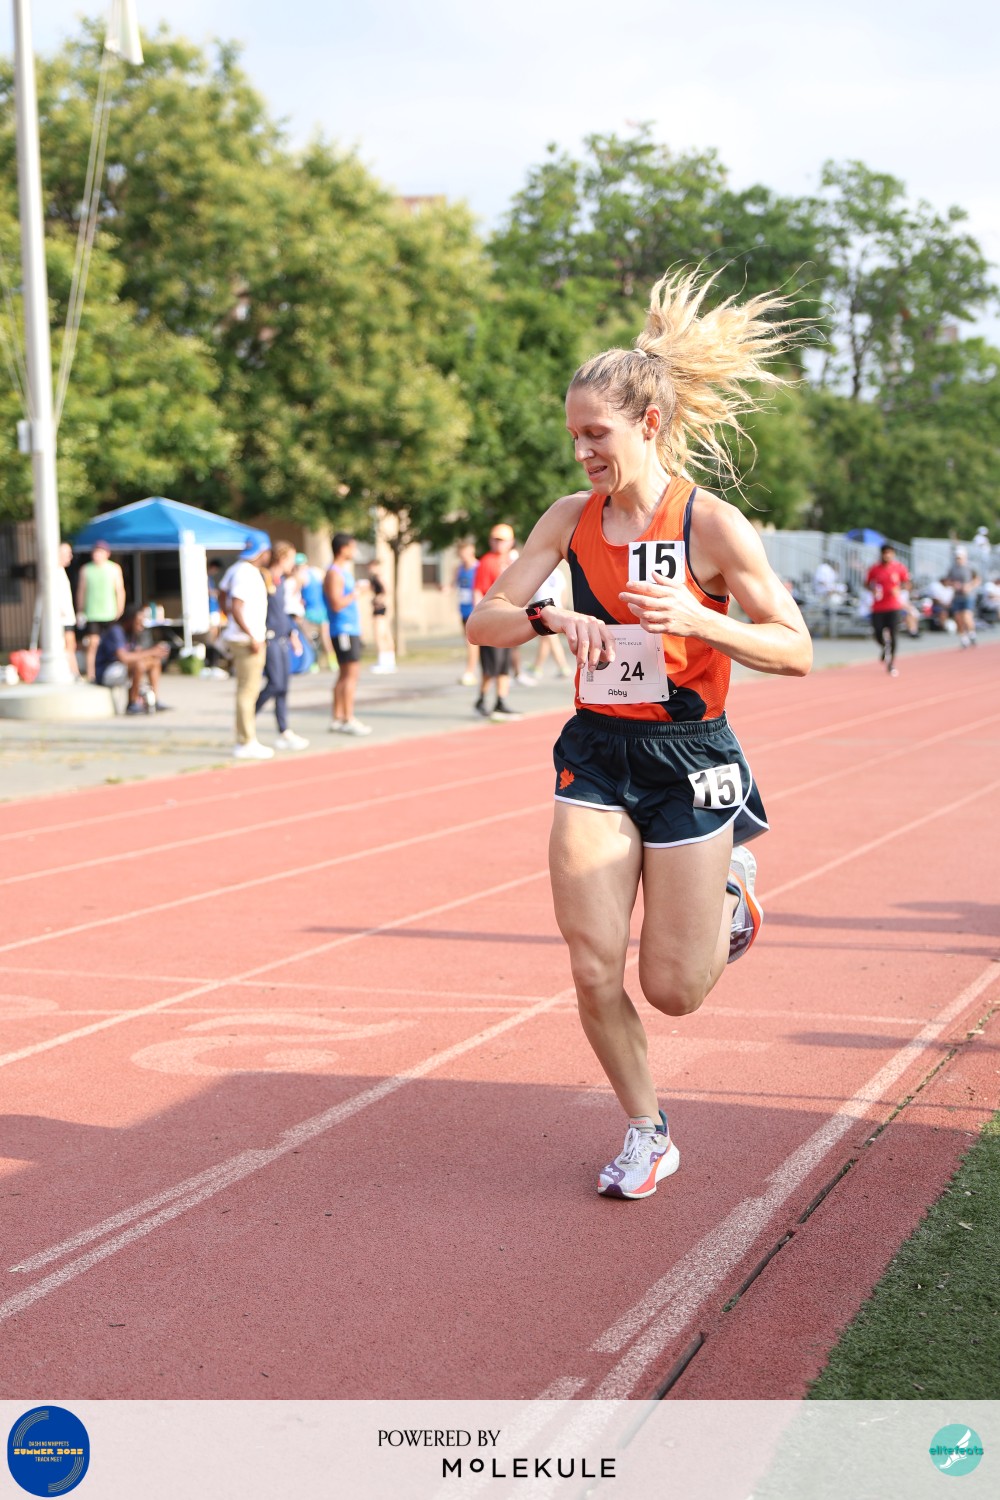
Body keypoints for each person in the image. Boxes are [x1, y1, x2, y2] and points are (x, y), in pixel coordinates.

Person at [468, 267, 811, 1199]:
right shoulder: (568, 519)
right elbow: (483, 622)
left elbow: (795, 648)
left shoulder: (711, 524)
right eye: (574, 435)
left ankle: (733, 892)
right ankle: (647, 1131)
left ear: (647, 424)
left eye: (597, 434)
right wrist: (546, 618)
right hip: (595, 751)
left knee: (675, 990)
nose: (582, 451)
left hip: (691, 758)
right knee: (590, 963)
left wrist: (702, 621)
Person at [221, 538, 274, 760]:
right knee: (248, 691)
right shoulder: (246, 573)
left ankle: (244, 736)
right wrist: (251, 634)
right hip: (246, 639)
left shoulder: (236, 569)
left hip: (243, 636)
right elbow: (236, 605)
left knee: (247, 689)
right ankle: (246, 740)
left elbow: (223, 593)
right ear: (262, 552)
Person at [472, 524, 521, 720]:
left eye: (502, 540)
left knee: (504, 664)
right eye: (495, 539)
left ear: (511, 542)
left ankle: (500, 701)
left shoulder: (511, 562)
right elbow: (478, 590)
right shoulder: (487, 562)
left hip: (508, 618)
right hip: (492, 619)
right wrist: (478, 617)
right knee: (491, 665)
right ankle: (481, 699)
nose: (498, 543)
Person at [324, 532, 372, 735]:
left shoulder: (342, 572)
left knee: (345, 675)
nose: (355, 551)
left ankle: (338, 717)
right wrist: (356, 593)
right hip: (343, 629)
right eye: (352, 547)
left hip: (349, 628)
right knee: (351, 675)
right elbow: (336, 604)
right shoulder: (334, 573)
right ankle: (347, 718)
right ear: (343, 549)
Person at [94, 604, 170, 712]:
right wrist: (151, 651)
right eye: (139, 622)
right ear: (129, 620)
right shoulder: (116, 631)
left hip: (120, 669)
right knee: (138, 664)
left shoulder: (132, 633)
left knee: (154, 662)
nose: (141, 625)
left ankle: (155, 700)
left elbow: (137, 653)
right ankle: (132, 703)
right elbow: (124, 657)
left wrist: (155, 654)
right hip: (106, 673)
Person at [75, 541, 125, 683]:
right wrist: (80, 610)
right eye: (95, 552)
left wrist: (120, 608)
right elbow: (81, 591)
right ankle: (92, 674)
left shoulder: (114, 568)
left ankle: (115, 671)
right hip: (92, 613)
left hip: (110, 612)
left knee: (113, 643)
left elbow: (119, 590)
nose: (97, 555)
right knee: (93, 644)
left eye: (100, 552)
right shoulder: (86, 569)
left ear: (107, 554)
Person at [865, 543, 910, 676]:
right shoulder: (875, 568)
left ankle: (891, 663)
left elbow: (907, 583)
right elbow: (867, 583)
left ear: (893, 554)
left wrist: (899, 589)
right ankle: (885, 646)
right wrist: (872, 589)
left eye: (889, 553)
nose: (887, 555)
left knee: (894, 634)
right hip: (878, 607)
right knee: (877, 632)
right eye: (885, 553)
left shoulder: (899, 568)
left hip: (893, 607)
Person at [521, 565, 573, 680]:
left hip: (543, 608)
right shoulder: (559, 573)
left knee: (551, 638)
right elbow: (564, 593)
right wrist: (563, 608)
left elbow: (531, 590)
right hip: (557, 607)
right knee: (545, 638)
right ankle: (537, 666)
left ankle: (563, 666)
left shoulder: (540, 572)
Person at [943, 547, 979, 647]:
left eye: (960, 557)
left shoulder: (970, 567)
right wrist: (954, 584)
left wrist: (969, 586)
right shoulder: (952, 568)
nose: (958, 559)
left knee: (967, 616)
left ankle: (972, 633)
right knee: (958, 618)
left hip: (968, 596)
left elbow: (977, 579)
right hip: (957, 596)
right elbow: (947, 581)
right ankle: (963, 637)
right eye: (957, 558)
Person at [454, 541, 480, 685]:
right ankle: (471, 671)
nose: (463, 557)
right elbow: (454, 584)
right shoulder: (459, 569)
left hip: (474, 610)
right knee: (468, 641)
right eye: (460, 554)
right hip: (463, 609)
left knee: (472, 642)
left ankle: (470, 672)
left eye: (465, 553)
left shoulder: (478, 567)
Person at [367, 560, 397, 674]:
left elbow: (387, 591)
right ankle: (390, 661)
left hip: (380, 609)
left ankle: (383, 662)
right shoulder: (374, 579)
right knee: (385, 634)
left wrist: (378, 599)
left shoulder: (379, 577)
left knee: (379, 635)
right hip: (381, 608)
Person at [56, 542, 80, 678]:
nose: (70, 556)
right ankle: (74, 673)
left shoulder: (61, 571)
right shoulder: (54, 572)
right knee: (68, 646)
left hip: (67, 617)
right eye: (68, 553)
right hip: (62, 618)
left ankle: (73, 673)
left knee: (70, 645)